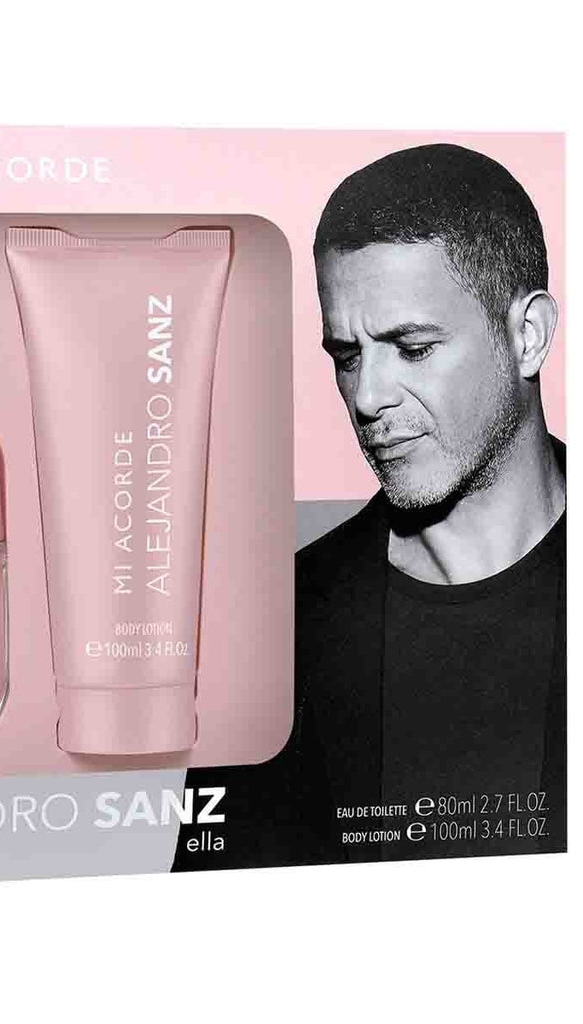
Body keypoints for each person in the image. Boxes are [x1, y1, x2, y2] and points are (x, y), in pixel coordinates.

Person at [293, 143, 565, 860]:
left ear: (528, 336)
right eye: (347, 355)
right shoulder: (286, 624)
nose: (367, 396)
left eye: (412, 348)